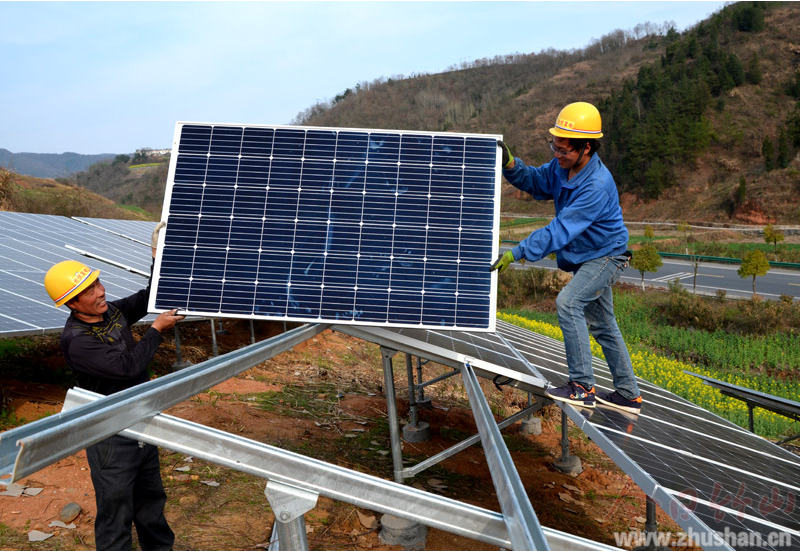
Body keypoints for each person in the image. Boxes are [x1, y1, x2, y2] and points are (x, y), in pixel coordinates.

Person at [491, 101, 642, 414]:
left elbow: (560, 230)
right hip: (588, 257)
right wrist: (511, 165)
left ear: (586, 147)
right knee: (603, 325)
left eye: (563, 149)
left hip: (606, 256)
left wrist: (518, 252)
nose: (557, 154)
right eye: (554, 146)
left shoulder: (596, 184)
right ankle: (629, 394)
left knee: (568, 303)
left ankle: (581, 386)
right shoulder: (561, 167)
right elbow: (536, 181)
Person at [43, 222, 184, 550]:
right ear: (72, 303)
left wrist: (157, 257)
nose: (100, 292)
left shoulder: (111, 313)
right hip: (110, 434)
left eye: (98, 283)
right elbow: (128, 368)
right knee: (116, 510)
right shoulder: (77, 340)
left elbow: (148, 298)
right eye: (89, 291)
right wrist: (157, 330)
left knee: (151, 501)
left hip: (139, 419)